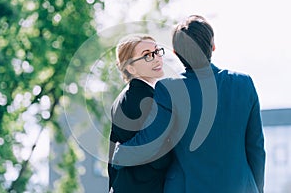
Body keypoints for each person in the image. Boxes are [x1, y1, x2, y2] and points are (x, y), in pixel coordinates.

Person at [112, 15, 266, 193]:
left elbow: (151, 142)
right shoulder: (243, 83)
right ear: (213, 45)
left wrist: (118, 154)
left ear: (177, 54)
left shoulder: (169, 89)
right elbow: (256, 148)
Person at [108, 34, 174, 193]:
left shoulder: (122, 98)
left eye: (157, 51)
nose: (157, 58)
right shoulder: (146, 100)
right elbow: (158, 157)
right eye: (147, 55)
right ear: (130, 67)